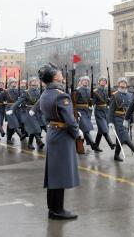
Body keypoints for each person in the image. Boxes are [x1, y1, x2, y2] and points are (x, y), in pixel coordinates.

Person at [38, 63, 83, 220]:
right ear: (55, 77)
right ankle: (57, 210)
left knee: (53, 174)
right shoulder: (61, 95)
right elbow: (70, 121)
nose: (62, 76)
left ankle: (54, 208)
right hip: (63, 135)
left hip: (53, 132)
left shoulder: (45, 94)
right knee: (60, 174)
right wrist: (77, 133)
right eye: (59, 73)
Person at [108, 77, 134, 161]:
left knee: (120, 136)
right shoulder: (115, 95)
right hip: (118, 117)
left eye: (124, 82)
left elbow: (131, 109)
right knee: (124, 134)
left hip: (127, 118)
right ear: (118, 84)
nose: (123, 84)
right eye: (121, 82)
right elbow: (111, 109)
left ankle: (116, 155)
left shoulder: (130, 95)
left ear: (126, 84)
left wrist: (132, 120)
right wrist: (110, 121)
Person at [11, 77, 44, 150]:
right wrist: (12, 108)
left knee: (34, 128)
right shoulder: (26, 92)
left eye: (36, 81)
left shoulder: (38, 92)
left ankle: (30, 143)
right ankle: (39, 141)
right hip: (29, 112)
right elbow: (19, 101)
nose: (35, 82)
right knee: (34, 127)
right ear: (30, 83)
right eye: (33, 81)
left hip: (37, 112)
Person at [72, 76, 99, 151]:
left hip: (87, 111)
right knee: (85, 128)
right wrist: (75, 112)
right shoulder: (77, 90)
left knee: (84, 128)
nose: (86, 81)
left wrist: (91, 105)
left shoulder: (90, 90)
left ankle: (81, 145)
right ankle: (93, 143)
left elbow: (91, 101)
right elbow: (74, 102)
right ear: (81, 81)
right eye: (84, 80)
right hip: (79, 111)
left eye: (87, 80)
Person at [93, 76, 115, 151]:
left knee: (101, 130)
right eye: (102, 80)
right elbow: (93, 102)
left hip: (106, 111)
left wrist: (109, 101)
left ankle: (95, 146)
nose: (103, 81)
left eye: (105, 80)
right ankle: (111, 144)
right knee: (104, 128)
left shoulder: (107, 91)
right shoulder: (95, 91)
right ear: (99, 82)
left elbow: (110, 101)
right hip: (99, 111)